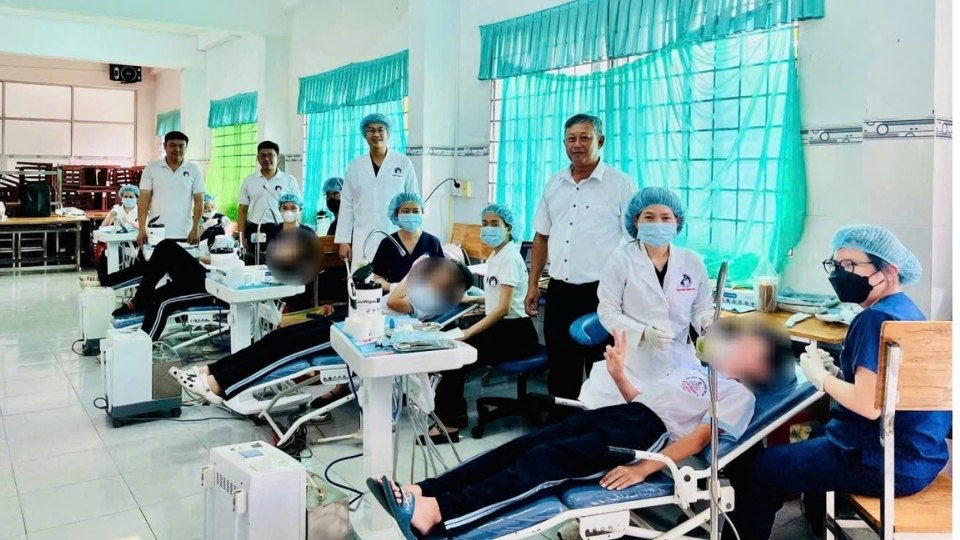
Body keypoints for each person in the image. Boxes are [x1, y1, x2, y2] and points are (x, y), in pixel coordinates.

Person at [369, 316, 795, 537]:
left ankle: (441, 516)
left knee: (541, 465)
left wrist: (645, 468)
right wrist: (621, 374)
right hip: (625, 417)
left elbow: (700, 437)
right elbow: (646, 402)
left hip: (642, 441)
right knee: (522, 446)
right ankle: (427, 491)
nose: (730, 343)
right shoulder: (697, 372)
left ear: (759, 366)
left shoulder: (740, 396)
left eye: (743, 345)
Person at [721, 226, 952, 540]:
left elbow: (869, 406)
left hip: (882, 464)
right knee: (817, 432)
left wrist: (823, 378)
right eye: (837, 265)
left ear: (889, 271)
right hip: (920, 459)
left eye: (851, 266)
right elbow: (886, 392)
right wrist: (842, 377)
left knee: (754, 472)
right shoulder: (909, 312)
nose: (841, 274)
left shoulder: (873, 320)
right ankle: (818, 525)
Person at [168, 257, 474, 405]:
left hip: (363, 338)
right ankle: (210, 370)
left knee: (287, 351)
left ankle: (220, 386)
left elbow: (395, 300)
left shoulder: (433, 301)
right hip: (354, 319)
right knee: (280, 337)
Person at [524, 114, 636, 404]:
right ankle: (563, 429)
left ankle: (601, 432)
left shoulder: (620, 185)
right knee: (561, 367)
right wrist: (532, 284)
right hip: (560, 291)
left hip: (602, 295)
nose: (577, 144)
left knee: (603, 369)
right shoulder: (555, 183)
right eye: (571, 139)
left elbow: (635, 243)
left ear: (600, 141)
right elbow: (541, 237)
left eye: (584, 137)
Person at [581, 187, 715, 407]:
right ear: (636, 221)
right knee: (633, 423)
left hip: (680, 362)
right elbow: (607, 311)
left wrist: (707, 325)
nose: (658, 223)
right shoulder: (620, 259)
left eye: (665, 217)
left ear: (677, 221)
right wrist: (643, 333)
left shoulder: (692, 262)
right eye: (649, 217)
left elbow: (701, 307)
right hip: (635, 365)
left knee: (682, 420)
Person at [428, 204, 540, 443]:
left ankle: (448, 426)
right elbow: (497, 295)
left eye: (495, 224)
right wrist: (472, 298)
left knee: (455, 360)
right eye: (485, 224)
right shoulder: (497, 255)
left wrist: (468, 332)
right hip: (504, 328)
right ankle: (454, 415)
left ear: (508, 229)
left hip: (515, 334)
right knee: (453, 356)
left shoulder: (509, 257)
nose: (488, 229)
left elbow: (503, 308)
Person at [335, 113, 420, 263]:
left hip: (396, 235)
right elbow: (347, 205)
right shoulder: (355, 167)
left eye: (380, 130)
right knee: (363, 282)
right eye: (370, 130)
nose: (376, 134)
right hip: (363, 237)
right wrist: (344, 240)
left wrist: (414, 235)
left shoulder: (403, 163)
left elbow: (414, 202)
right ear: (364, 134)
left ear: (388, 133)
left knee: (396, 283)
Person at [110, 239, 221, 340]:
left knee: (160, 303)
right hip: (208, 277)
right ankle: (139, 297)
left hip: (215, 288)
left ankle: (143, 348)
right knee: (166, 246)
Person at [137, 131, 205, 245]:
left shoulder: (194, 169)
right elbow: (143, 200)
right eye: (172, 145)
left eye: (181, 146)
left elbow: (199, 201)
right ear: (165, 146)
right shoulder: (152, 168)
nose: (177, 149)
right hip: (157, 232)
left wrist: (195, 228)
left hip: (185, 233)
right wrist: (142, 229)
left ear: (186, 147)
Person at [371, 192, 444, 292]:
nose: (411, 215)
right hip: (394, 299)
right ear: (397, 214)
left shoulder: (432, 242)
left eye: (415, 211)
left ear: (422, 213)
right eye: (405, 211)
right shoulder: (387, 243)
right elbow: (377, 278)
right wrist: (392, 287)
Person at [237, 141, 301, 250]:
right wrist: (241, 238)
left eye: (270, 155)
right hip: (255, 229)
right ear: (257, 159)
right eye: (262, 155)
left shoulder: (289, 180)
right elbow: (242, 210)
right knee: (254, 262)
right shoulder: (249, 181)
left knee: (281, 263)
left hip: (281, 229)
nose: (266, 159)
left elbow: (296, 209)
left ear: (278, 158)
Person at [92, 184, 141, 283]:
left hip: (135, 244)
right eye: (125, 196)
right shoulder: (116, 209)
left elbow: (142, 226)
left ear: (137, 198)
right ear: (121, 197)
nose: (128, 199)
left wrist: (129, 221)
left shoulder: (140, 211)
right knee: (103, 258)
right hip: (117, 243)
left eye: (131, 197)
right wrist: (110, 217)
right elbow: (103, 226)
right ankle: (106, 282)